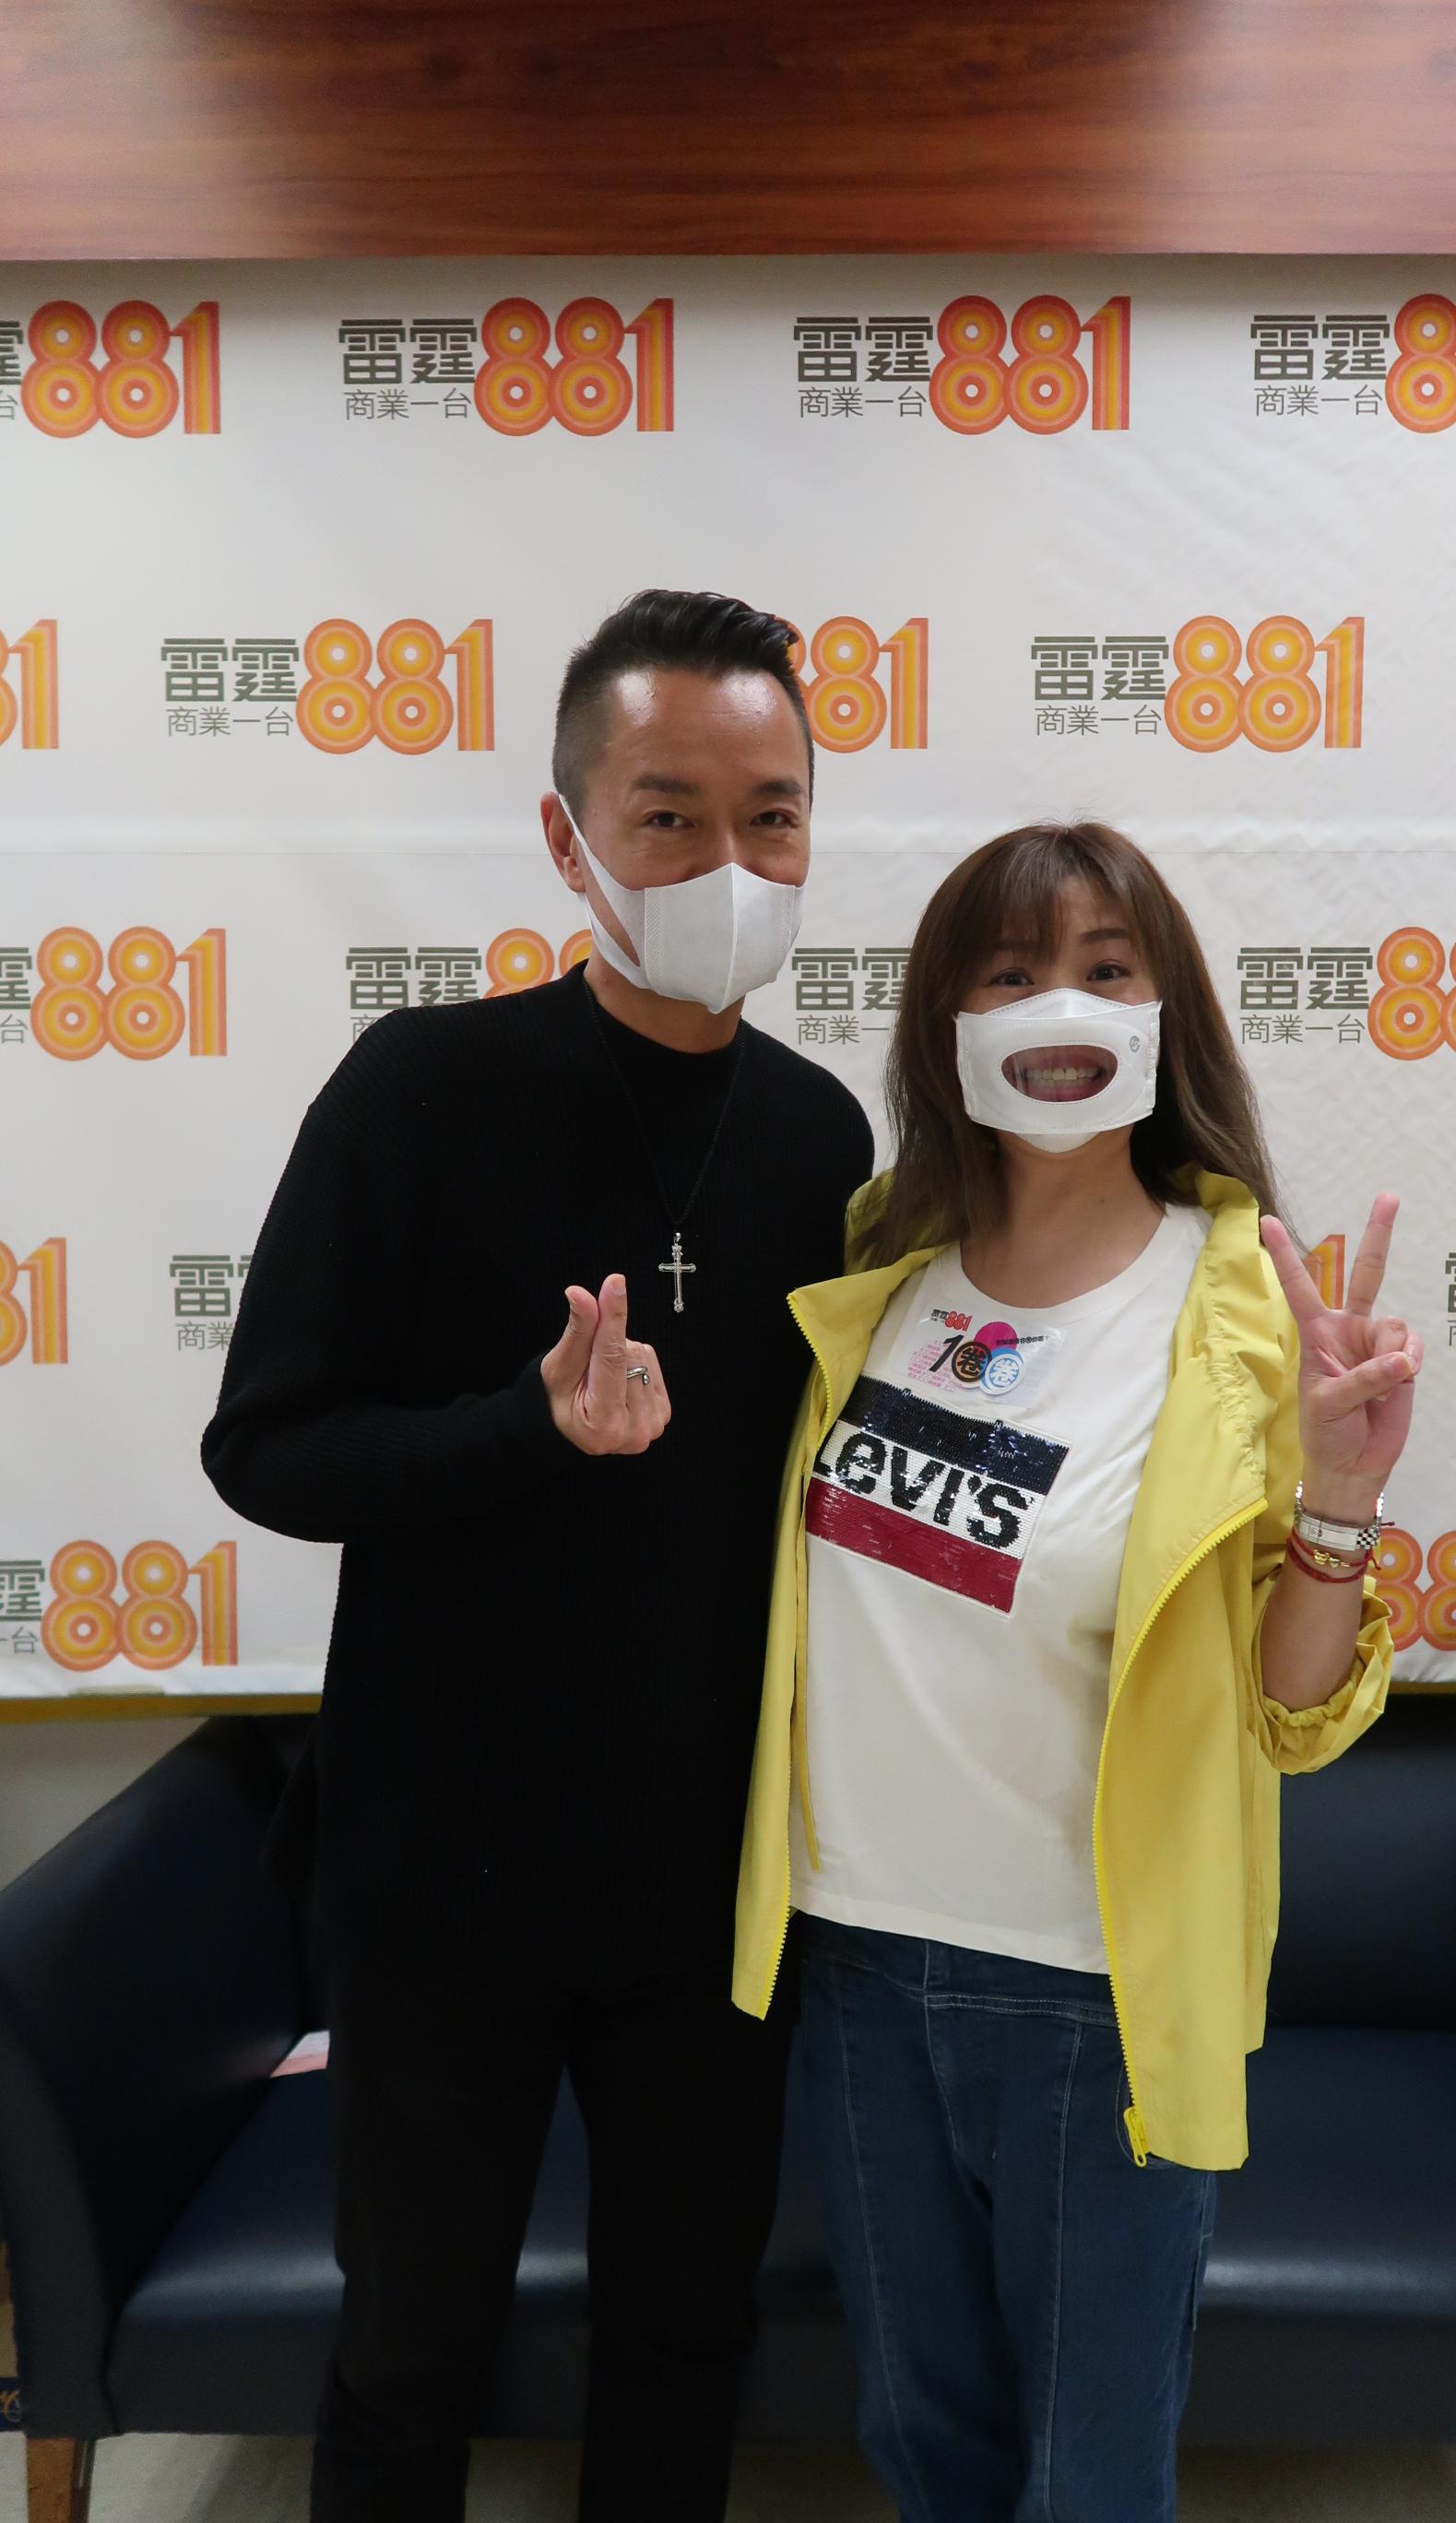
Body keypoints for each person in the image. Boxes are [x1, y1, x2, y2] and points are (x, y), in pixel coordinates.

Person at [202, 589, 874, 2523]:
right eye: (669, 815)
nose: (728, 862)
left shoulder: (824, 1138)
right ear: (568, 838)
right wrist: (526, 1429)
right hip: (440, 1887)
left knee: (682, 2337)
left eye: (771, 816)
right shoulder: (419, 1093)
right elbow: (267, 1446)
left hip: (713, 1894)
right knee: (409, 2355)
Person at [733, 820, 1417, 2523]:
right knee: (923, 2449)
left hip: (1092, 1997)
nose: (1063, 1006)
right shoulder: (874, 1270)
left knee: (1091, 2482)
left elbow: (1290, 1716)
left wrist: (1340, 1502)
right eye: (1011, 969)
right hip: (857, 1964)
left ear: (1167, 1014)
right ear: (944, 1023)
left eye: (1109, 969)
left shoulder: (1247, 1313)